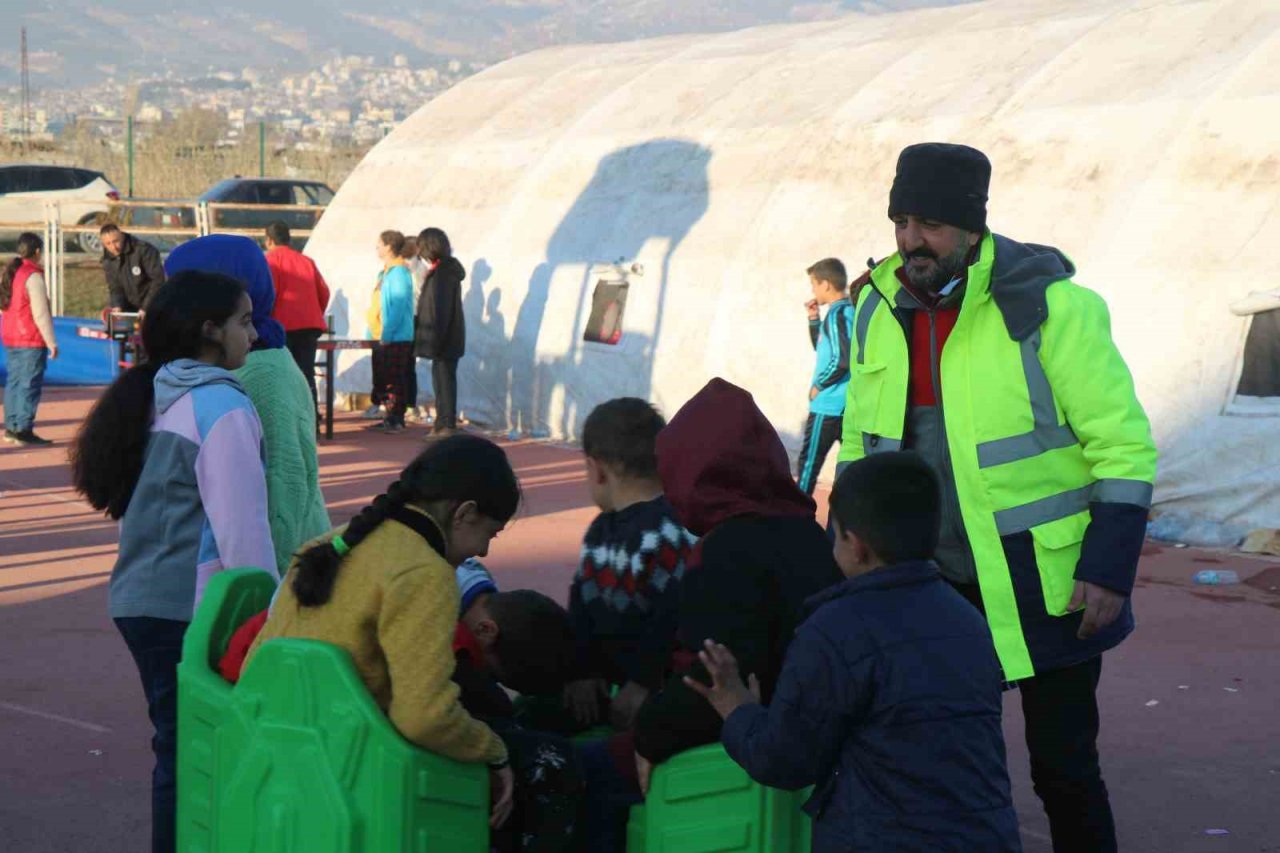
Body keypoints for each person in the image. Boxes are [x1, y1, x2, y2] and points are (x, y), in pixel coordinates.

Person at [836, 142, 1157, 852]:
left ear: (973, 227)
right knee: (935, 766)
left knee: (1064, 768)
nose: (911, 240)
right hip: (927, 585)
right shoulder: (874, 310)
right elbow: (861, 446)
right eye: (901, 220)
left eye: (931, 224)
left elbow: (1123, 446)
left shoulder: (1053, 309)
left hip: (1046, 584)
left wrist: (1107, 566)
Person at [686, 452, 1022, 852]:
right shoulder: (970, 621)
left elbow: (783, 759)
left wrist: (736, 708)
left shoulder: (833, 631)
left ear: (855, 545)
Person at [577, 378, 842, 851]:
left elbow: (709, 684)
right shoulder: (806, 533)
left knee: (571, 772)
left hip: (738, 744)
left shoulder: (727, 552)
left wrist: (648, 736)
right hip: (803, 737)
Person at [69, 272, 277, 853]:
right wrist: (271, 618)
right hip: (190, 610)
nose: (254, 335)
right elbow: (244, 533)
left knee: (181, 751)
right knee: (198, 756)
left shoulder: (162, 391)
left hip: (145, 601)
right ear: (209, 330)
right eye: (243, 321)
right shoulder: (220, 406)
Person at [244, 435, 522, 831]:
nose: (484, 553)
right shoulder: (426, 572)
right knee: (544, 764)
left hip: (274, 759)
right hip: (353, 776)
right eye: (490, 535)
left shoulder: (329, 543)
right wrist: (494, 752)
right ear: (465, 513)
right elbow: (424, 718)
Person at [219, 555, 583, 853]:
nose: (488, 544)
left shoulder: (450, 587)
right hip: (280, 690)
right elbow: (439, 714)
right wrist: (496, 750)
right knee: (545, 761)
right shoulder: (442, 629)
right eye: (494, 671)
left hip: (282, 681)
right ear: (486, 631)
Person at [164, 235, 331, 577]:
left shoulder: (259, 373)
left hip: (280, 574)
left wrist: (273, 597)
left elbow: (282, 488)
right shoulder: (229, 365)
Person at [561, 398, 696, 734]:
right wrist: (582, 672)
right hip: (609, 686)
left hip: (651, 695)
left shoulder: (665, 533)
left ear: (597, 470)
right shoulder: (601, 530)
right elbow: (580, 604)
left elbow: (672, 618)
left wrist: (642, 683)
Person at [797, 257, 853, 495]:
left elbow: (841, 359)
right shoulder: (849, 311)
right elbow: (824, 348)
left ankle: (796, 519)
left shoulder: (837, 315)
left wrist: (818, 386)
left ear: (826, 285)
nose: (813, 290)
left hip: (828, 405)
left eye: (814, 285)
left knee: (808, 464)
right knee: (852, 465)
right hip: (847, 404)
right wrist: (813, 320)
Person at [264, 221, 331, 410]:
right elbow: (324, 292)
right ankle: (312, 421)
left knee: (282, 376)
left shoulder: (270, 261)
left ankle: (287, 421)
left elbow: (268, 294)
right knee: (306, 374)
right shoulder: (306, 261)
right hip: (309, 325)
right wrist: (314, 312)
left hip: (282, 326)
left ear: (269, 240)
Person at [1, 232, 58, 446]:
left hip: (11, 335)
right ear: (37, 252)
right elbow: (40, 313)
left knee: (14, 382)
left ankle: (12, 426)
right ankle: (23, 429)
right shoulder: (33, 276)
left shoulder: (12, 272)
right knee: (29, 384)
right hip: (30, 338)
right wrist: (51, 342)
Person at [415, 227, 466, 435]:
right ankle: (442, 422)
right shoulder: (442, 271)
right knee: (441, 381)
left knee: (444, 382)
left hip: (443, 339)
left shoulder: (443, 274)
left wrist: (434, 340)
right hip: (445, 338)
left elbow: (440, 310)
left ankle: (446, 424)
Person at [369, 230, 415, 433]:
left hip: (396, 337)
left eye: (379, 244)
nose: (377, 248)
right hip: (383, 334)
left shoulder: (398, 274)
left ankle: (396, 417)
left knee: (395, 377)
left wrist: (387, 332)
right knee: (384, 377)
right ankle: (390, 415)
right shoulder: (386, 272)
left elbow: (397, 305)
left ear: (388, 246)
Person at [101, 223, 166, 313]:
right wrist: (117, 305)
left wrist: (146, 308)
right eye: (108, 244)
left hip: (153, 306)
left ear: (122, 236)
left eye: (116, 241)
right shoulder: (108, 260)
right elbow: (115, 287)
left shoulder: (143, 250)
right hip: (130, 311)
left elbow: (158, 280)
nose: (114, 247)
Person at [401, 236, 429, 423]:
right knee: (407, 364)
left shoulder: (411, 269)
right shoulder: (421, 268)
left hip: (410, 317)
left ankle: (408, 404)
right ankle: (409, 404)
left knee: (405, 363)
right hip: (413, 317)